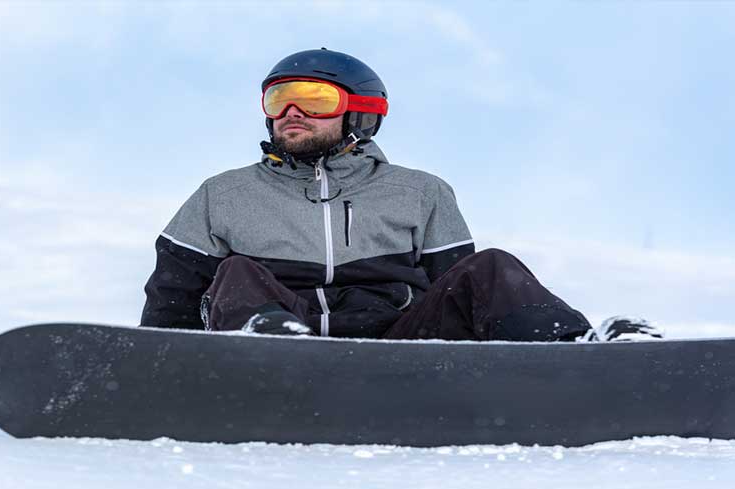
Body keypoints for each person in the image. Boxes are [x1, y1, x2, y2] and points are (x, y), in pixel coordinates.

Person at [140, 48, 663, 342]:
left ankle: (572, 352)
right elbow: (171, 296)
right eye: (279, 99)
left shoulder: (419, 192)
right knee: (237, 274)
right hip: (274, 348)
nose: (290, 112)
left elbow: (459, 290)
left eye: (314, 99)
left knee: (491, 269)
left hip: (397, 347)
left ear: (360, 113)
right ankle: (271, 343)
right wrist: (155, 367)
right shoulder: (222, 194)